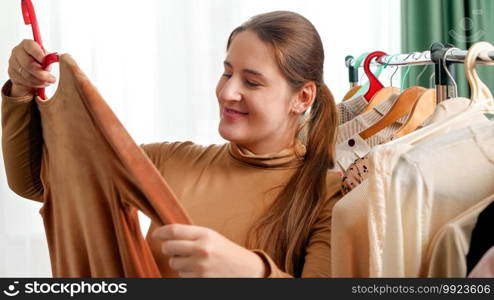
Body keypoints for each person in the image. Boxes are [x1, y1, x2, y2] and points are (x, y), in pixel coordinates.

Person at [3, 11, 343, 277]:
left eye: (251, 82)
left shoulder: (329, 195)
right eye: (226, 73)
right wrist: (20, 91)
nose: (226, 93)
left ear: (302, 97)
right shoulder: (168, 161)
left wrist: (254, 273)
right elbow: (37, 182)